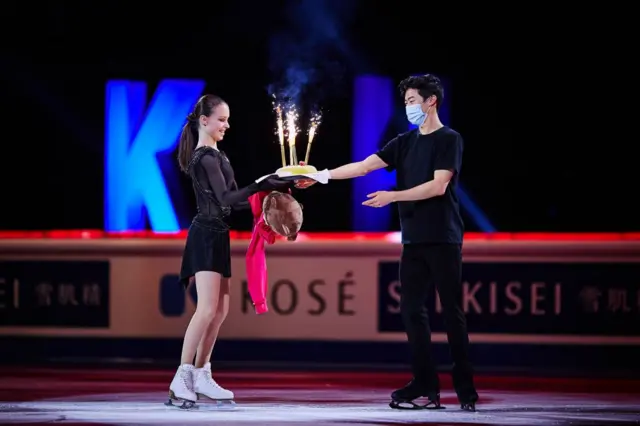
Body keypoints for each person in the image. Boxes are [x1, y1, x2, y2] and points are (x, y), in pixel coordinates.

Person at [325, 74, 478, 411]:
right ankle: (425, 382)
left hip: (443, 238)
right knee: (411, 311)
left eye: (412, 101)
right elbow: (365, 166)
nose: (408, 107)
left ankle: (465, 388)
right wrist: (321, 175)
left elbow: (438, 186)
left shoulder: (449, 140)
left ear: (431, 101)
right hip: (413, 241)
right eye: (406, 102)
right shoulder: (404, 143)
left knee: (452, 312)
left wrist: (393, 196)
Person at [167, 94, 290, 409]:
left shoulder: (216, 154)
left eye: (227, 119)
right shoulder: (205, 157)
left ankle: (201, 373)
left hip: (218, 234)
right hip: (206, 234)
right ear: (204, 120)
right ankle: (181, 377)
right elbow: (225, 198)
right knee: (206, 309)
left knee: (220, 310)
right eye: (221, 119)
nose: (227, 125)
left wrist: (266, 183)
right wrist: (263, 184)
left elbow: (233, 195)